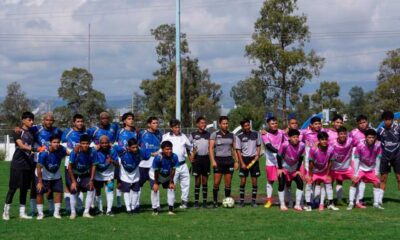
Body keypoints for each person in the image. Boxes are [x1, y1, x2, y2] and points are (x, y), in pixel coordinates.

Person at [3, 112, 36, 221]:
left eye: (32, 120)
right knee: (13, 188)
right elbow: (21, 145)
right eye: (29, 120)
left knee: (24, 189)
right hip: (17, 164)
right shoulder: (17, 131)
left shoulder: (32, 132)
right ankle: (6, 212)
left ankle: (22, 213)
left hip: (28, 164)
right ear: (23, 120)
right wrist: (33, 149)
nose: (32, 122)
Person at [348, 129, 383, 210]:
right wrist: (356, 172)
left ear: (375, 138)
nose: (371, 139)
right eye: (369, 137)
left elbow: (378, 159)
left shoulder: (378, 145)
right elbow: (356, 159)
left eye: (372, 137)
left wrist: (377, 171)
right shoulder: (360, 145)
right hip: (361, 168)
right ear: (365, 137)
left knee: (377, 183)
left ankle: (376, 203)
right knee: (354, 182)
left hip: (371, 168)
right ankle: (351, 203)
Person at [35, 135, 68, 219]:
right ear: (50, 143)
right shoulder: (44, 153)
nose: (56, 144)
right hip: (42, 175)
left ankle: (56, 213)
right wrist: (40, 182)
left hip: (56, 175)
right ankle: (40, 213)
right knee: (40, 193)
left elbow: (70, 153)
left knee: (59, 192)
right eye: (54, 142)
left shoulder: (61, 149)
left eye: (58, 142)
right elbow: (39, 168)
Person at [162, 119, 192, 209]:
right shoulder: (166, 136)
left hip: (183, 164)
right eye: (176, 127)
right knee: (171, 184)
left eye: (179, 127)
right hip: (171, 165)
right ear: (171, 128)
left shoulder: (183, 136)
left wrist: (191, 153)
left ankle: (184, 202)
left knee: (186, 184)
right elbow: (162, 149)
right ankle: (171, 203)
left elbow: (190, 147)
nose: (178, 129)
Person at [61, 114, 88, 213]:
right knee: (69, 185)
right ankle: (68, 207)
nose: (80, 123)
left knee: (80, 185)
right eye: (78, 121)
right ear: (74, 122)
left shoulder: (85, 133)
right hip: (70, 163)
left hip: (82, 164)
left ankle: (80, 207)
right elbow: (62, 146)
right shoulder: (68, 132)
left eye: (81, 121)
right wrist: (71, 153)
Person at [209, 116, 238, 208]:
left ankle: (227, 201)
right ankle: (215, 202)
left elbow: (234, 149)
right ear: (220, 124)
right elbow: (210, 148)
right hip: (218, 160)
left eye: (227, 123)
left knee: (228, 183)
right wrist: (213, 161)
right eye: (224, 123)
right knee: (216, 183)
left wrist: (236, 161)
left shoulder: (232, 135)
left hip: (229, 160)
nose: (226, 125)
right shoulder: (214, 134)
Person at [306, 132, 339, 211]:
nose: (324, 141)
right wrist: (310, 175)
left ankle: (330, 204)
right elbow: (310, 163)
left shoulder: (330, 149)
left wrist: (327, 174)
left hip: (324, 171)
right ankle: (308, 205)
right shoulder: (313, 149)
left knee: (328, 185)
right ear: (319, 140)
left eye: (326, 139)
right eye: (322, 139)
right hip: (314, 171)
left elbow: (331, 162)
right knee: (308, 185)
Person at [67, 134, 96, 219]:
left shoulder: (92, 151)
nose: (85, 145)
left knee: (91, 188)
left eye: (87, 143)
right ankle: (73, 212)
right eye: (83, 143)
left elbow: (94, 165)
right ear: (80, 143)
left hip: (85, 175)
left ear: (89, 143)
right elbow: (69, 167)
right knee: (74, 190)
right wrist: (73, 181)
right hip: (74, 175)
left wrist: (91, 180)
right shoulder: (75, 152)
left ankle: (86, 212)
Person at [137, 117, 163, 211]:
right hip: (143, 164)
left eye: (157, 123)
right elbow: (137, 146)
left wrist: (158, 153)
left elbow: (162, 145)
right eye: (154, 123)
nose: (156, 124)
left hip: (154, 165)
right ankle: (136, 205)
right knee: (138, 185)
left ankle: (157, 205)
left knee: (155, 185)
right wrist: (149, 154)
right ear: (149, 124)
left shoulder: (160, 134)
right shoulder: (142, 134)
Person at [276, 129, 305, 211]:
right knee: (281, 183)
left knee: (300, 182)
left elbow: (301, 157)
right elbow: (278, 156)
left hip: (294, 169)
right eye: (294, 137)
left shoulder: (302, 145)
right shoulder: (285, 145)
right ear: (289, 138)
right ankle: (282, 204)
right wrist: (280, 168)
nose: (296, 139)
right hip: (284, 168)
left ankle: (297, 204)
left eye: (297, 137)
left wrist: (298, 170)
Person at [116, 112, 140, 209]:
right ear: (124, 121)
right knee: (120, 181)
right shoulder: (120, 131)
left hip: (133, 159)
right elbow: (114, 144)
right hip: (121, 158)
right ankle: (118, 203)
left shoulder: (135, 132)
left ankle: (131, 205)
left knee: (133, 182)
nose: (131, 120)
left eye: (132, 119)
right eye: (129, 119)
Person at [235, 119, 261, 208]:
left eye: (248, 125)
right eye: (245, 126)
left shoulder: (256, 134)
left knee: (254, 181)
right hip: (244, 159)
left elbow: (258, 145)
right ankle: (242, 202)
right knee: (243, 181)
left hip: (254, 160)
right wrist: (241, 163)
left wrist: (257, 155)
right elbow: (238, 151)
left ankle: (253, 202)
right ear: (242, 127)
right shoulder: (239, 136)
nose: (247, 127)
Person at [330, 127, 358, 207]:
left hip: (346, 168)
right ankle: (330, 202)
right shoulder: (332, 143)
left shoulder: (351, 141)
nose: (343, 135)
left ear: (346, 134)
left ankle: (352, 201)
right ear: (338, 135)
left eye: (344, 134)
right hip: (334, 168)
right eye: (341, 134)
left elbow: (361, 142)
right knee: (329, 183)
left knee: (356, 180)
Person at [377, 111, 400, 206]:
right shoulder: (380, 130)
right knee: (383, 178)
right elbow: (377, 140)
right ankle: (379, 199)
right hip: (385, 156)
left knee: (399, 178)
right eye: (385, 120)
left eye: (389, 120)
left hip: (397, 155)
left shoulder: (398, 128)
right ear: (383, 120)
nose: (387, 122)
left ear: (392, 120)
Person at [149, 141, 178, 215]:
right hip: (155, 175)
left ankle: (171, 210)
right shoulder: (158, 158)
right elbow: (156, 171)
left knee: (171, 188)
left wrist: (171, 182)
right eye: (167, 149)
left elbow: (173, 170)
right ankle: (155, 210)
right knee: (154, 190)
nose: (169, 151)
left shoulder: (174, 157)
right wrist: (155, 183)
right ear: (162, 149)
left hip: (167, 175)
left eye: (171, 149)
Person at [262, 117, 284, 208]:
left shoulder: (281, 132)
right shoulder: (265, 135)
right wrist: (280, 152)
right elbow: (269, 146)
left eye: (275, 123)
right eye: (272, 123)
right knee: (270, 181)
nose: (274, 125)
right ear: (268, 125)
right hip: (270, 160)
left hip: (281, 160)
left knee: (282, 180)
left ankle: (282, 201)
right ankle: (269, 200)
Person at [189, 117, 211, 208]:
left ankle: (205, 202)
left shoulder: (209, 134)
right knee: (197, 181)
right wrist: (190, 155)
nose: (203, 125)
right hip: (197, 159)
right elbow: (187, 146)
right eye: (201, 123)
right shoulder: (193, 134)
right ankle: (196, 202)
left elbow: (212, 146)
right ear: (197, 124)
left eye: (204, 123)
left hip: (206, 159)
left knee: (205, 181)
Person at [115, 138, 142, 214]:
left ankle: (133, 207)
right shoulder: (122, 153)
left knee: (136, 191)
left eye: (136, 147)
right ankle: (128, 208)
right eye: (133, 147)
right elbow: (114, 146)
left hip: (136, 176)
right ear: (128, 147)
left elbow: (148, 154)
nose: (135, 149)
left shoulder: (140, 153)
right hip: (125, 177)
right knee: (126, 192)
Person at [93, 135, 118, 216]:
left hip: (109, 175)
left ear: (109, 143)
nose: (104, 144)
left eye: (106, 143)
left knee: (110, 191)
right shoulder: (95, 151)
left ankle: (109, 210)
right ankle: (100, 209)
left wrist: (112, 161)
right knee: (97, 192)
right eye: (102, 143)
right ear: (99, 143)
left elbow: (118, 164)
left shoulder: (112, 151)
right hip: (98, 175)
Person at [349, 114, 369, 205]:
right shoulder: (353, 133)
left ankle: (360, 199)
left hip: (366, 159)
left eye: (364, 122)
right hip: (355, 159)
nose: (363, 124)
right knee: (356, 178)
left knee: (363, 179)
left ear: (367, 122)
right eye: (360, 123)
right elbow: (349, 145)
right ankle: (352, 200)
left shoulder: (371, 132)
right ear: (357, 124)